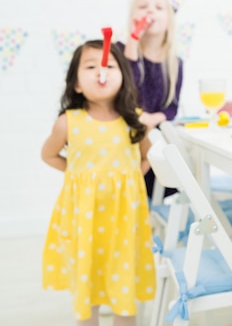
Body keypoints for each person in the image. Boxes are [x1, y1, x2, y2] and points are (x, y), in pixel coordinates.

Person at [41, 40, 156, 325]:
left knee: (123, 278)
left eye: (109, 65)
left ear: (123, 77)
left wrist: (129, 179)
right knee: (87, 280)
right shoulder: (69, 122)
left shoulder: (134, 121)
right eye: (90, 66)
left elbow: (148, 157)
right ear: (77, 84)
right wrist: (80, 175)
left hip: (124, 219)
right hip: (84, 218)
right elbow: (49, 155)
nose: (100, 72)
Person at [120, 0, 183, 199]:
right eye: (143, 7)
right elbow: (129, 84)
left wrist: (151, 118)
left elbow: (172, 108)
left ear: (169, 20)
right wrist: (133, 39)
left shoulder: (174, 63)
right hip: (124, 137)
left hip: (156, 140)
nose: (150, 12)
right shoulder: (121, 51)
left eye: (158, 8)